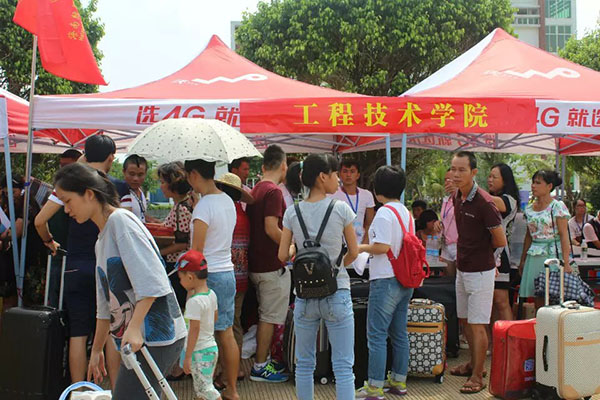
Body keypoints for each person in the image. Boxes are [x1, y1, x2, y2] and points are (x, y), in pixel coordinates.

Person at [51, 163, 186, 399]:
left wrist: (133, 328)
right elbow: (105, 304)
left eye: (68, 200)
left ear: (89, 194)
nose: (66, 210)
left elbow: (153, 281)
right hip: (140, 339)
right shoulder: (102, 239)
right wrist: (96, 349)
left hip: (156, 336)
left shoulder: (121, 222)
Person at [34, 136, 122, 386]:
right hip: (106, 266)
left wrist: (49, 241)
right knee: (111, 331)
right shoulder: (112, 186)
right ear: (111, 157)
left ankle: (78, 391)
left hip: (76, 264)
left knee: (78, 332)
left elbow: (39, 221)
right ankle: (116, 390)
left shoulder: (71, 184)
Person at [278, 154, 358, 400]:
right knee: (343, 367)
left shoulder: (292, 212)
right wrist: (336, 268)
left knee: (304, 364)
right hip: (337, 292)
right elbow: (354, 252)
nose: (338, 179)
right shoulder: (341, 209)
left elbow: (282, 254)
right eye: (335, 174)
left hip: (304, 295)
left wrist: (296, 249)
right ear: (323, 177)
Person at [448, 151, 506, 395]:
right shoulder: (457, 197)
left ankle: (478, 375)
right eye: (453, 169)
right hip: (463, 268)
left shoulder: (484, 202)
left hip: (481, 271)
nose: (456, 174)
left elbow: (500, 240)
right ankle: (473, 364)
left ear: (473, 172)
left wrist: (486, 259)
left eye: (462, 170)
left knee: (478, 324)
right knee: (465, 321)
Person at [355, 165, 413, 399]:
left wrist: (359, 248)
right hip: (405, 279)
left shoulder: (383, 213)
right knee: (399, 333)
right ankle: (398, 381)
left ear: (377, 189)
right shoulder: (406, 212)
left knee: (377, 335)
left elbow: (382, 247)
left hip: (385, 279)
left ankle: (374, 386)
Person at [186, 158, 240, 400]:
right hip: (227, 272)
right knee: (226, 332)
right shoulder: (227, 200)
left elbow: (197, 251)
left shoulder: (204, 206)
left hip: (207, 276)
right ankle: (231, 389)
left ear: (194, 174)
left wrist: (191, 286)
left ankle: (206, 389)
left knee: (203, 337)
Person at [246, 144, 291, 383]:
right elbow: (271, 228)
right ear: (283, 165)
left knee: (265, 315)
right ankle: (260, 366)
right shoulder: (274, 192)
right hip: (271, 265)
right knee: (269, 317)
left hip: (255, 263)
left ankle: (262, 362)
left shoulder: (256, 189)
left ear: (264, 166)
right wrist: (290, 247)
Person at [215, 172, 254, 381]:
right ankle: (235, 368)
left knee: (222, 327)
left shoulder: (225, 214)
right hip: (241, 278)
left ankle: (225, 371)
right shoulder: (243, 216)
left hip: (223, 276)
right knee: (234, 324)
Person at [518, 170, 571, 310]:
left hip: (552, 255)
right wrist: (523, 260)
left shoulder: (557, 206)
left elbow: (564, 235)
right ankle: (540, 322)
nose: (533, 186)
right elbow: (528, 235)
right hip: (533, 255)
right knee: (537, 297)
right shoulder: (529, 209)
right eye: (533, 182)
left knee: (554, 296)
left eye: (538, 183)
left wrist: (566, 262)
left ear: (549, 186)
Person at [174, 250, 221, 400]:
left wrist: (187, 357)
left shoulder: (194, 302)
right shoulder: (211, 294)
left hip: (199, 351)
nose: (180, 282)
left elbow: (194, 329)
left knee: (206, 389)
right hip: (210, 347)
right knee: (201, 388)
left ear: (190, 277)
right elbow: (215, 317)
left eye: (180, 278)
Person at [157, 162, 194, 309]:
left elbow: (181, 243)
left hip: (177, 266)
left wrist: (158, 252)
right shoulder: (185, 204)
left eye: (163, 182)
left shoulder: (181, 209)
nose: (161, 186)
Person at [487, 163, 520, 323]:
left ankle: (509, 336)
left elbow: (494, 202)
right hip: (484, 254)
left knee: (501, 301)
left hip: (500, 255)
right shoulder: (485, 198)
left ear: (505, 180)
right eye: (489, 176)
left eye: (494, 177)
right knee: (489, 304)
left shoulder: (509, 200)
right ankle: (493, 338)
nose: (490, 180)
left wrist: (470, 189)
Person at [330, 159, 375, 244]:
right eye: (345, 171)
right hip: (340, 244)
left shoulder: (367, 195)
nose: (348, 175)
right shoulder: (332, 195)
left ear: (358, 175)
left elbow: (370, 223)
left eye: (352, 171)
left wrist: (364, 245)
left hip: (361, 243)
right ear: (339, 175)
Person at [120, 154, 157, 223]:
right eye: (132, 174)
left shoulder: (140, 191)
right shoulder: (120, 193)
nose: (135, 179)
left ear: (145, 174)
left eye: (140, 175)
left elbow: (140, 215)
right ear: (124, 172)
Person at [440, 169, 458, 276]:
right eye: (445, 179)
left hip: (458, 245)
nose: (447, 182)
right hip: (446, 245)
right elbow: (445, 219)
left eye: (450, 179)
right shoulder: (446, 200)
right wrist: (439, 223)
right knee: (449, 279)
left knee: (460, 280)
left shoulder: (464, 198)